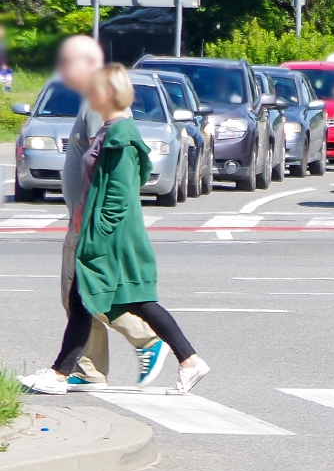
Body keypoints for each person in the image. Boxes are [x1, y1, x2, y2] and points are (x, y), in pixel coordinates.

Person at [19, 65, 210, 396]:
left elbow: (119, 196)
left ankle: (60, 374)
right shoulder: (114, 131)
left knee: (97, 299)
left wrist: (95, 234)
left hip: (110, 236)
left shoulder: (120, 135)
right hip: (102, 231)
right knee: (124, 300)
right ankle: (189, 360)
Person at [51, 36, 166, 391]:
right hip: (83, 218)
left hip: (87, 222)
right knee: (79, 297)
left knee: (85, 293)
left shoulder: (100, 108)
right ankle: (89, 369)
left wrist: (86, 220)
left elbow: (105, 169)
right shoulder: (93, 102)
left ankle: (145, 342)